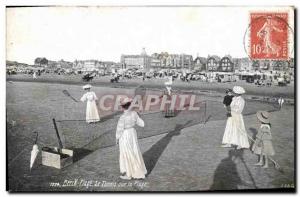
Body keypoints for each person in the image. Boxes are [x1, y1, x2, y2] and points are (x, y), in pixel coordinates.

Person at [116, 97, 147, 180]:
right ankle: (137, 170)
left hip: (125, 134)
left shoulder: (122, 117)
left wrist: (117, 139)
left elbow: (119, 129)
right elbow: (142, 124)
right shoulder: (134, 114)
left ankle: (129, 174)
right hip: (133, 133)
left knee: (126, 152)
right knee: (134, 150)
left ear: (122, 107)